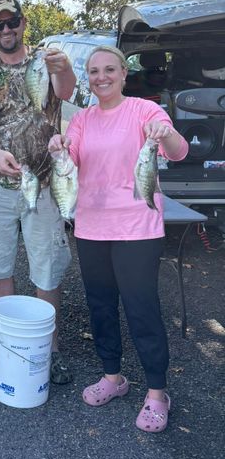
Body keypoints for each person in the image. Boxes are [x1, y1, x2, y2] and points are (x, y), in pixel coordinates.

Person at [48, 46, 189, 432]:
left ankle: (158, 392)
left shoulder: (144, 111)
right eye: (94, 71)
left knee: (141, 307)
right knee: (101, 306)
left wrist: (168, 132)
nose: (101, 77)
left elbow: (177, 152)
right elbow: (70, 159)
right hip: (91, 227)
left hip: (137, 229)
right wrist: (58, 147)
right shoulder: (82, 120)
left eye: (109, 69)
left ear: (124, 74)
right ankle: (113, 377)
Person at [0, 0, 76, 384]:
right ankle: (6, 346)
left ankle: (51, 347)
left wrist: (62, 68)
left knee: (47, 266)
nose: (6, 29)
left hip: (46, 179)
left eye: (12, 22)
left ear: (23, 23)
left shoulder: (44, 61)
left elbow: (65, 92)